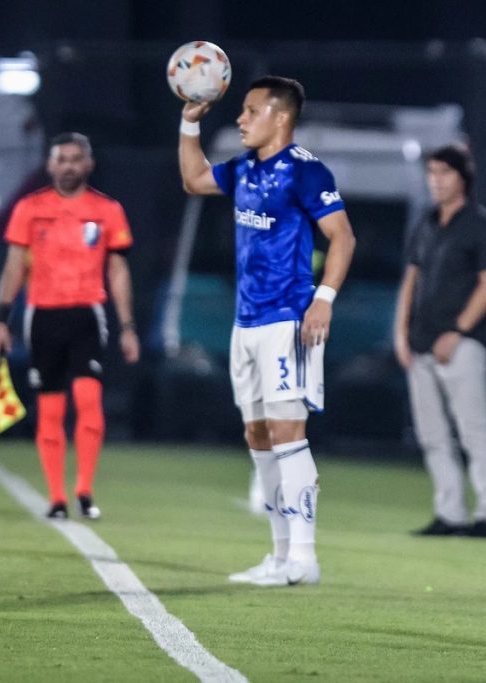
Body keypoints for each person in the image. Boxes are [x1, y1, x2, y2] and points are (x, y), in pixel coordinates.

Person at [179, 76, 356, 586]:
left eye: (251, 110)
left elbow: (342, 237)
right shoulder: (243, 169)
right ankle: (279, 557)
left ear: (280, 117)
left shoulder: (305, 171)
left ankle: (304, 557)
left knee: (286, 431)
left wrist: (323, 299)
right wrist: (188, 125)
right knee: (257, 434)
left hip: (287, 319)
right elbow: (194, 180)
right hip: (246, 321)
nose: (240, 119)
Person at [0, 132, 140, 520]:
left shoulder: (107, 210)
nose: (69, 166)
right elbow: (14, 266)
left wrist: (127, 326)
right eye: (62, 159)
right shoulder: (30, 208)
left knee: (88, 400)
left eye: (76, 159)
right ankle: (57, 497)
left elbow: (118, 271)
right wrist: (1, 320)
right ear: (50, 164)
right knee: (50, 408)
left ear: (89, 164)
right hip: (42, 315)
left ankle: (84, 491)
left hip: (87, 314)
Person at [394, 144, 486, 539]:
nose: (436, 180)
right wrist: (400, 334)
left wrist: (457, 331)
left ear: (463, 178)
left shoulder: (481, 225)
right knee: (432, 435)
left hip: (462, 345)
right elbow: (411, 280)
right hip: (421, 343)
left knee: (474, 430)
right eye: (432, 172)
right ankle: (450, 512)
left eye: (444, 172)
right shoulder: (425, 224)